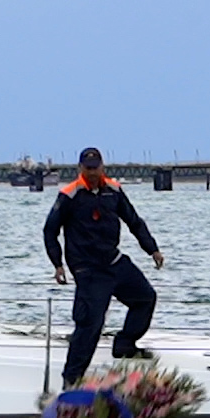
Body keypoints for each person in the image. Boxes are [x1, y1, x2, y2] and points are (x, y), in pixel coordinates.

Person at [44, 147, 164, 388]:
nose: (92, 173)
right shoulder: (69, 194)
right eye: (88, 168)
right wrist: (58, 264)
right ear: (80, 168)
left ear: (102, 167)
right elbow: (50, 231)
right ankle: (72, 377)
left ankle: (125, 344)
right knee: (91, 323)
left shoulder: (114, 190)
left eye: (96, 168)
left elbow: (133, 221)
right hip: (87, 268)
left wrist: (152, 249)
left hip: (113, 260)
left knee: (145, 298)